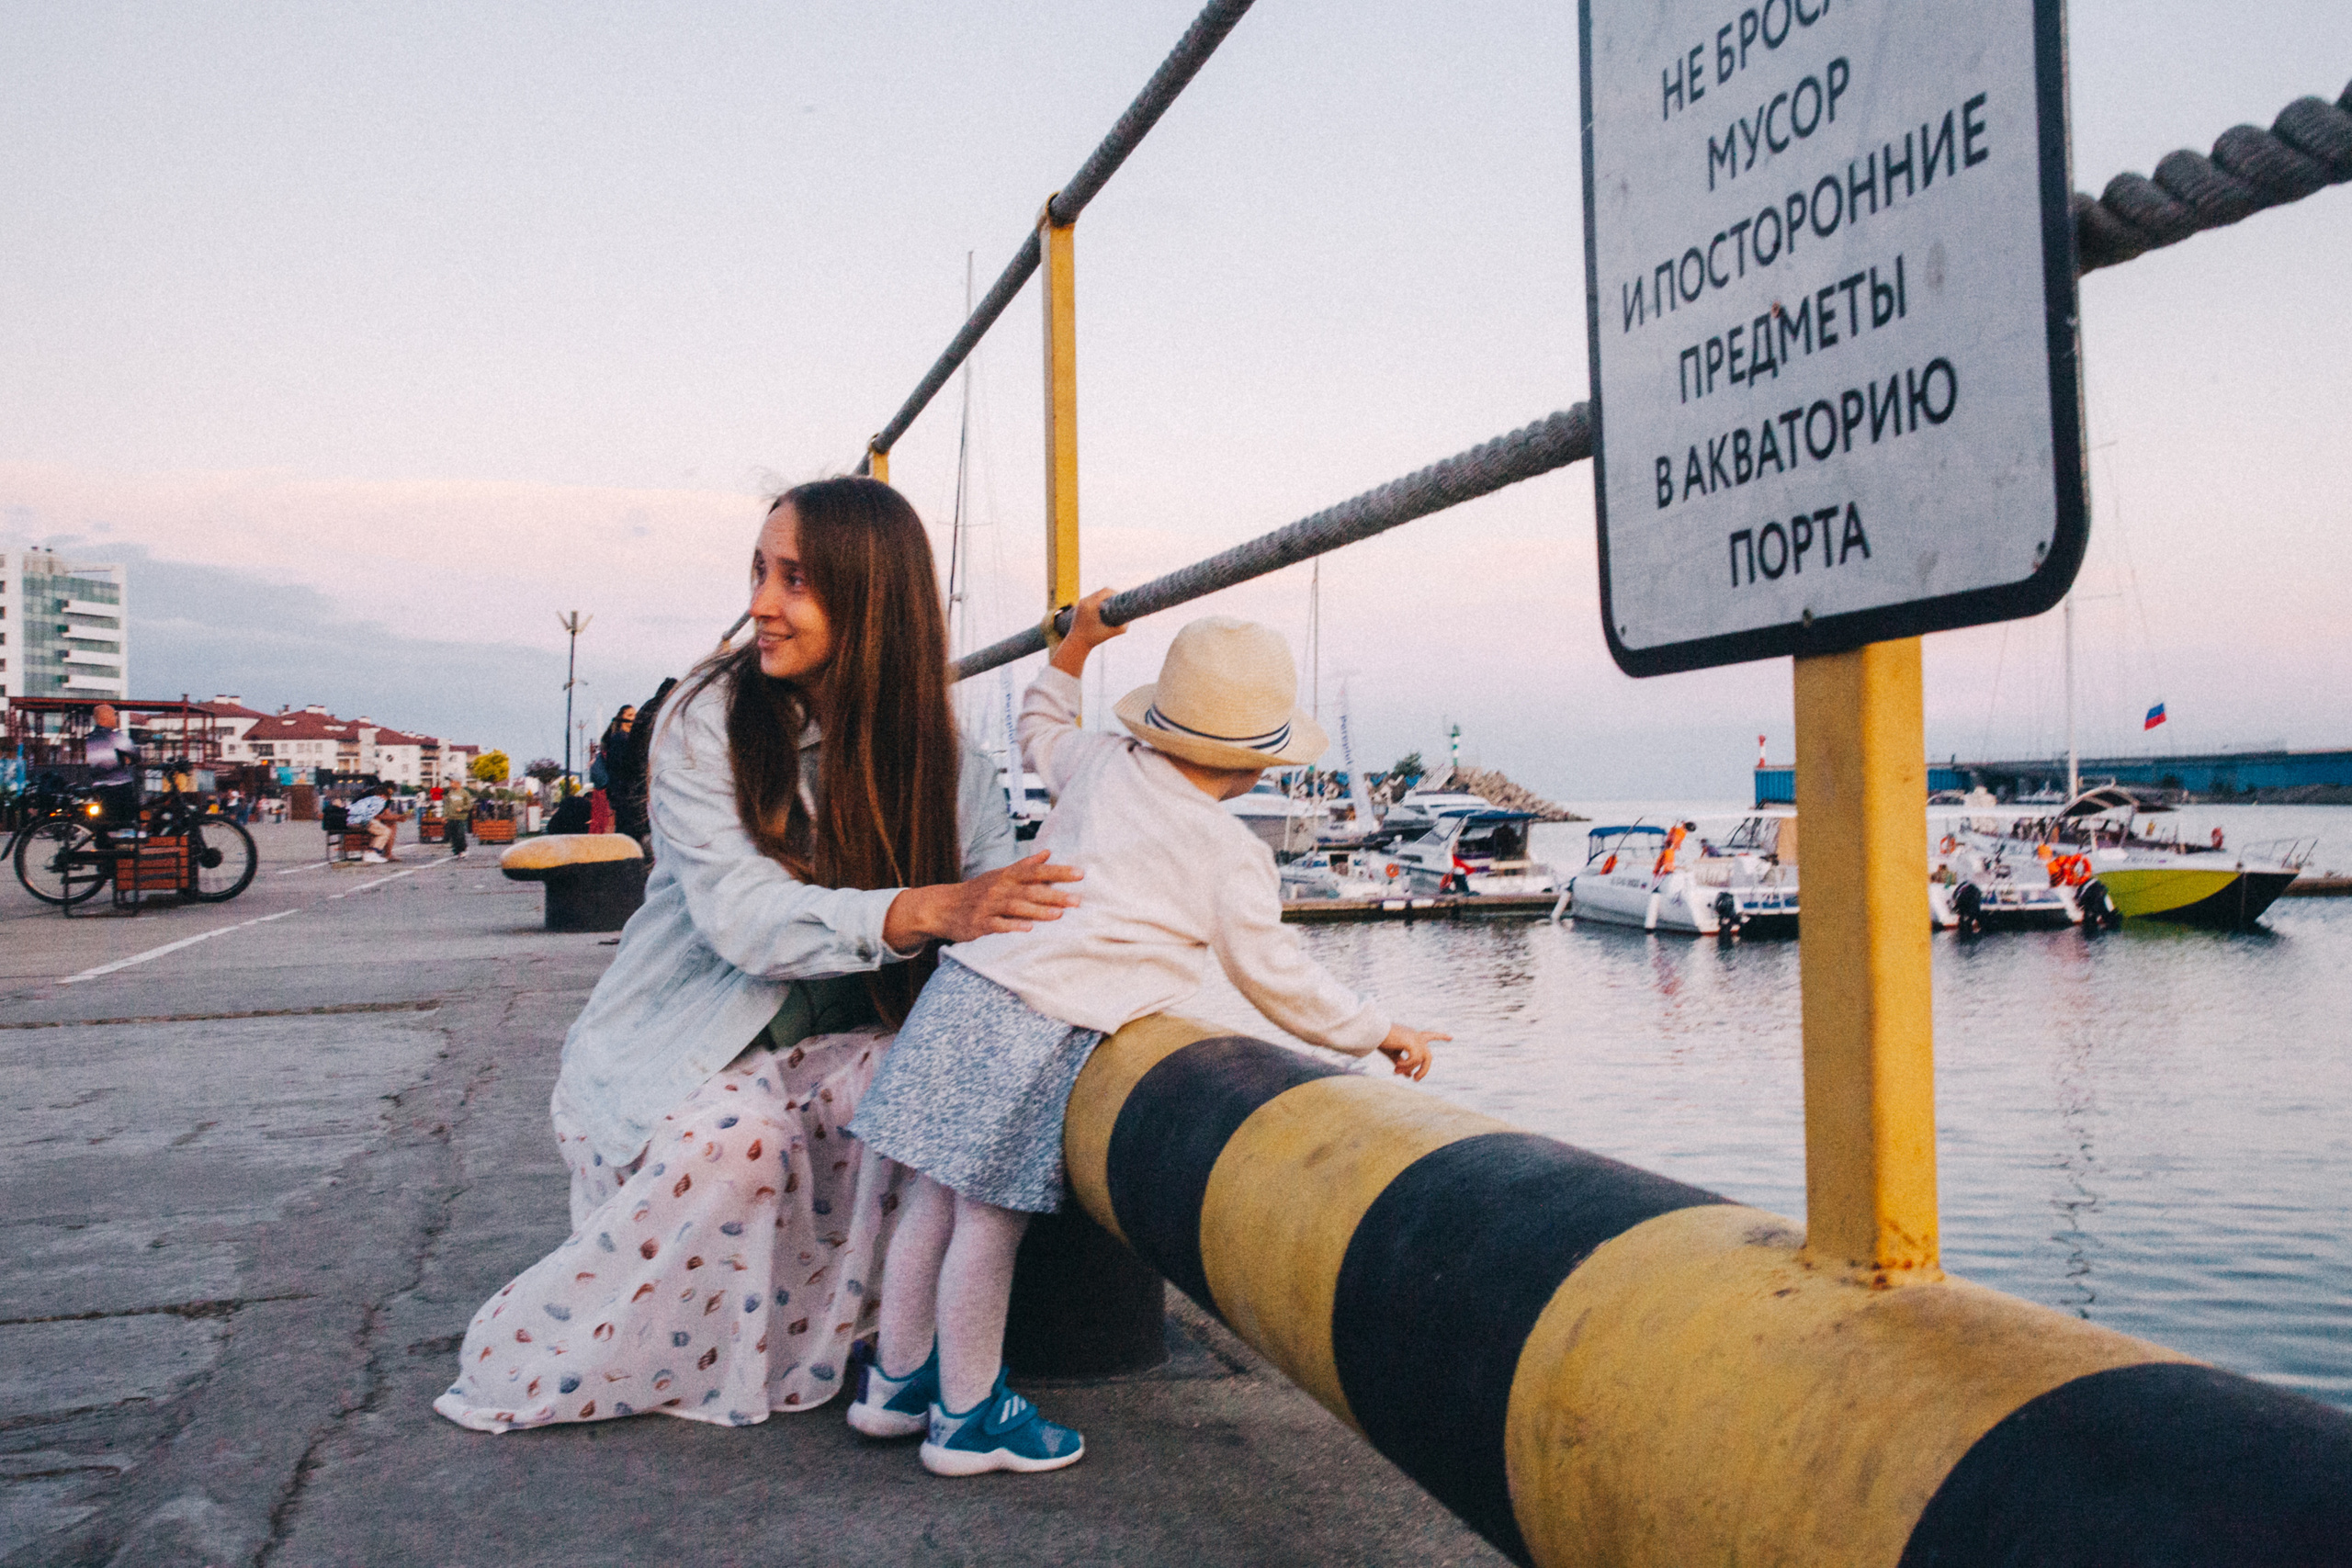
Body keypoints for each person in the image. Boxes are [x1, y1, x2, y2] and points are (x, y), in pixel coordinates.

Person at [435, 476, 1080, 1434]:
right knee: (738, 1146)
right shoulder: (708, 719)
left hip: (842, 1040)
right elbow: (744, 921)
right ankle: (720, 1340)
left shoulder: (940, 756)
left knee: (923, 1100)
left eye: (796, 582)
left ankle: (891, 1348)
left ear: (871, 601)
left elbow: (1000, 901)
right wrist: (928, 908)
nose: (761, 605)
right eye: (759, 571)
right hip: (693, 1046)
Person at [846, 596, 1447, 1477]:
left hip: (965, 985)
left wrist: (1076, 648)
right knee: (988, 1223)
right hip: (1037, 1023)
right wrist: (1378, 1028)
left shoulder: (1100, 761)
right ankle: (967, 1417)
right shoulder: (1226, 851)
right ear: (1254, 764)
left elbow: (1039, 724)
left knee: (929, 1203)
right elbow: (1276, 978)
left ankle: (896, 1385)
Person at [83, 703, 141, 827]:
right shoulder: (113, 735)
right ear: (105, 718)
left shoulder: (91, 737)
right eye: (113, 715)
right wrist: (128, 760)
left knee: (105, 822)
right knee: (127, 821)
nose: (116, 718)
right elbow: (135, 753)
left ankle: (103, 844)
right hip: (118, 785)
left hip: (99, 786)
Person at [347, 782, 399, 863]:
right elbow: (374, 815)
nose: (390, 796)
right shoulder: (379, 800)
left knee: (386, 826)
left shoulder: (370, 797)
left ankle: (373, 853)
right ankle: (373, 853)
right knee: (386, 831)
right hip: (361, 821)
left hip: (350, 820)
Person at [441, 778, 473, 857]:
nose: (451, 784)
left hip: (461, 817)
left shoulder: (465, 793)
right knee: (453, 835)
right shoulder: (450, 793)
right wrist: (444, 816)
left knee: (460, 834)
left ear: (458, 783)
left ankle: (463, 849)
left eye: (452, 782)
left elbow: (469, 805)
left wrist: (462, 809)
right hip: (451, 817)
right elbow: (447, 806)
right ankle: (456, 850)